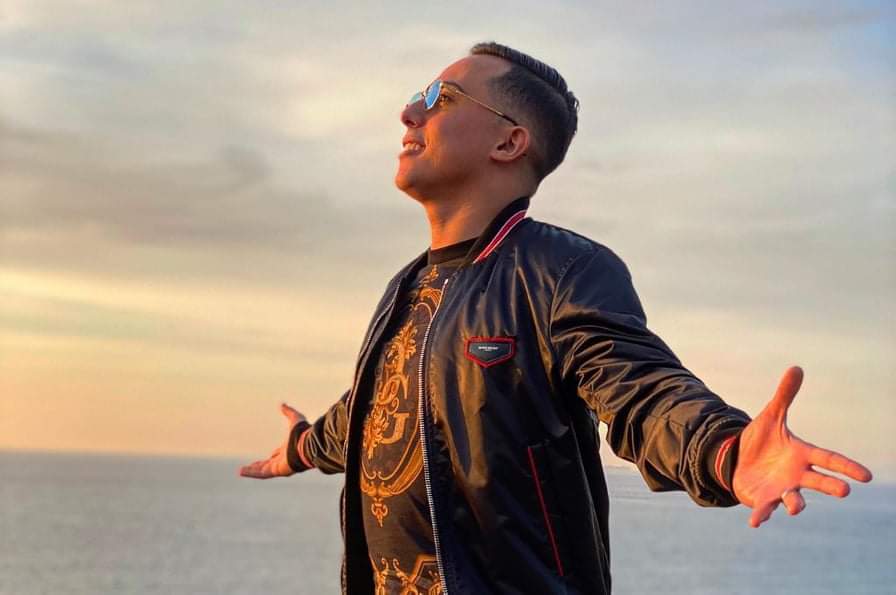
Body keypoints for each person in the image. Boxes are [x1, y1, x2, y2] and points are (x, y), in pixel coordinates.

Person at [239, 42, 872, 595]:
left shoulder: (560, 270)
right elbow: (376, 411)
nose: (410, 112)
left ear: (509, 141)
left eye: (440, 97)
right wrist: (301, 447)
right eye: (414, 97)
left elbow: (638, 388)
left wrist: (723, 449)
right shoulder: (405, 287)